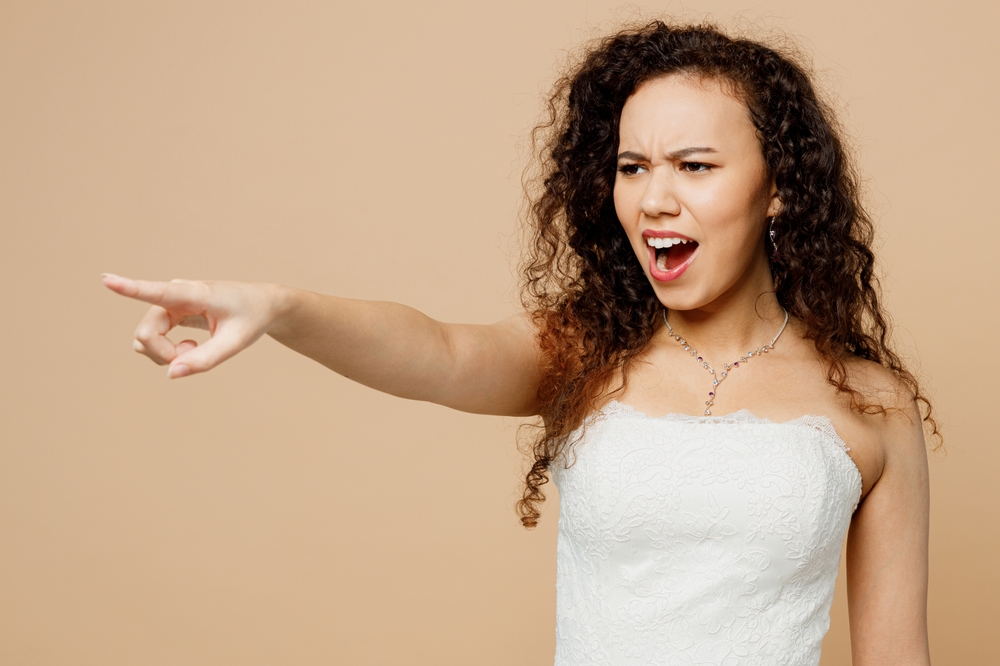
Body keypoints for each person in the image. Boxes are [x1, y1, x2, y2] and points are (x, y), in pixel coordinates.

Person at [103, 21, 935, 666]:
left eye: (695, 166)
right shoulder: (588, 349)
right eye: (632, 167)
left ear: (780, 187)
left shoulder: (870, 404)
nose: (655, 200)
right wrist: (281, 308)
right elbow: (438, 351)